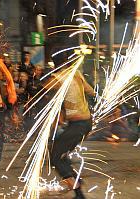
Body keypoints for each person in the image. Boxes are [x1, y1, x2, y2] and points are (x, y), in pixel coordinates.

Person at [47, 63, 95, 199]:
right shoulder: (77, 75)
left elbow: (47, 85)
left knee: (55, 157)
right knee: (61, 153)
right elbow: (90, 90)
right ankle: (76, 179)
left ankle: (78, 190)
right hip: (84, 123)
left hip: (78, 126)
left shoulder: (61, 76)